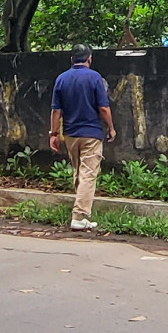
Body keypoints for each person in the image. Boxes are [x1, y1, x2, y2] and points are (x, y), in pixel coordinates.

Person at [49, 44, 114, 231]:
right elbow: (103, 108)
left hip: (70, 134)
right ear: (89, 59)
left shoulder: (61, 79)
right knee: (88, 174)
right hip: (91, 133)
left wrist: (54, 133)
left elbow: (56, 111)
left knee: (79, 172)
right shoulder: (94, 78)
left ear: (71, 59)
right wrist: (111, 127)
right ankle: (79, 216)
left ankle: (82, 213)